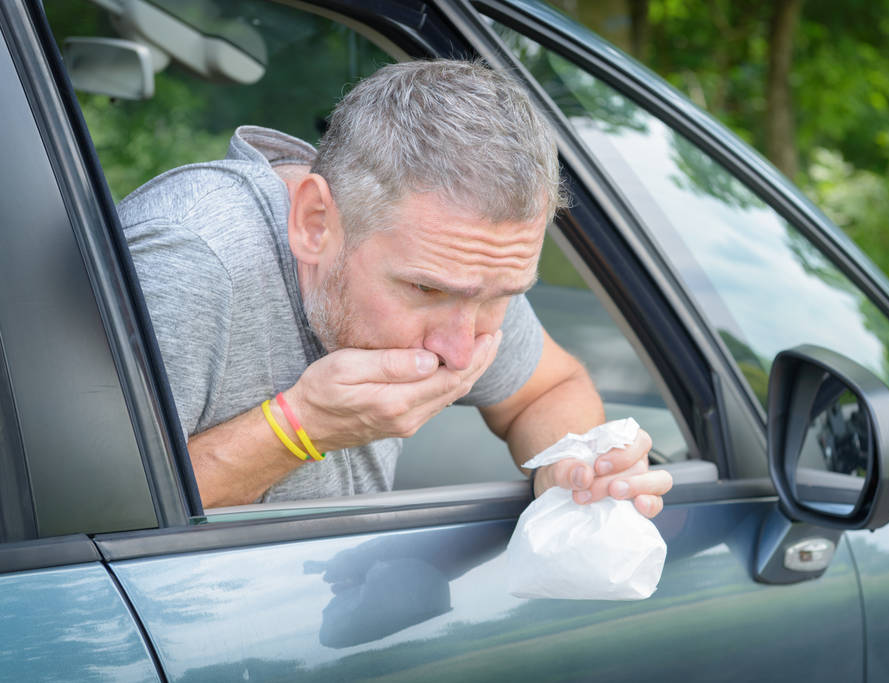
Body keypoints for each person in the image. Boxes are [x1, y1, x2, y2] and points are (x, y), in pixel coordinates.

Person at [118, 59, 672, 514]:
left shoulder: (463, 266)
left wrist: (570, 466)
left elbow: (548, 390)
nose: (459, 352)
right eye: (426, 291)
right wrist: (299, 428)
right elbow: (74, 524)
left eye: (501, 296)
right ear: (315, 222)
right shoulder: (191, 258)